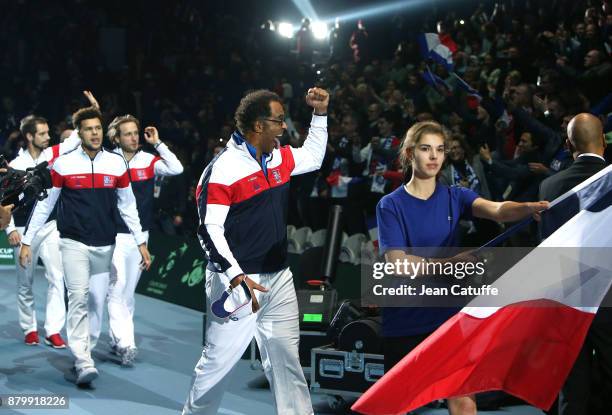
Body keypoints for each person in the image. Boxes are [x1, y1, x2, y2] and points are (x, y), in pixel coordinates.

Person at [377, 120, 548, 415]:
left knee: (463, 395)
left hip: (448, 315)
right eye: (425, 149)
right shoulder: (390, 205)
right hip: (405, 318)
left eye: (440, 150)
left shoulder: (456, 196)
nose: (434, 156)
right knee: (399, 405)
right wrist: (446, 267)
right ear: (408, 154)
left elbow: (496, 209)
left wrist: (526, 207)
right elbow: (398, 263)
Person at [183, 87, 329, 415]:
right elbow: (209, 230)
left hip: (279, 277)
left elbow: (315, 155)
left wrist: (320, 115)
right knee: (217, 365)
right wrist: (235, 276)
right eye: (278, 120)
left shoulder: (280, 156)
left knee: (286, 359)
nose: (284, 127)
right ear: (259, 126)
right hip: (237, 282)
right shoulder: (223, 169)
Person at [19, 106, 151, 386]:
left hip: (106, 244)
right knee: (78, 297)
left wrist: (141, 241)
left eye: (98, 128)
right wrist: (28, 240)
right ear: (79, 133)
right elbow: (45, 205)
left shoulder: (116, 164)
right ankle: (83, 360)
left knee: (96, 301)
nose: (95, 133)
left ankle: (85, 349)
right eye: (89, 129)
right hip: (72, 243)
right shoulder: (63, 165)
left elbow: (128, 207)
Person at [90, 114, 183, 366]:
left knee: (127, 295)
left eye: (136, 132)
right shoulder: (108, 161)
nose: (134, 137)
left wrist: (159, 143)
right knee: (116, 290)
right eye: (128, 133)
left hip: (141, 236)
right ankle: (127, 344)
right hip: (114, 236)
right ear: (116, 138)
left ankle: (116, 338)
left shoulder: (149, 161)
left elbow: (177, 168)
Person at [539, 113, 610, 415]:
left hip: (567, 297)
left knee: (572, 384)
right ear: (604, 141)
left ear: (568, 144)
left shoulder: (549, 187)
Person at [5, 114, 80, 348]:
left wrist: (91, 113)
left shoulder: (51, 156)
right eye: (43, 133)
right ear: (29, 136)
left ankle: (53, 329)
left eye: (48, 132)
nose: (48, 137)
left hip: (49, 226)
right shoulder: (14, 166)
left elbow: (73, 141)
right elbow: (3, 201)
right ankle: (29, 328)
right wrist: (9, 230)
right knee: (25, 281)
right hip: (21, 227)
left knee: (57, 277)